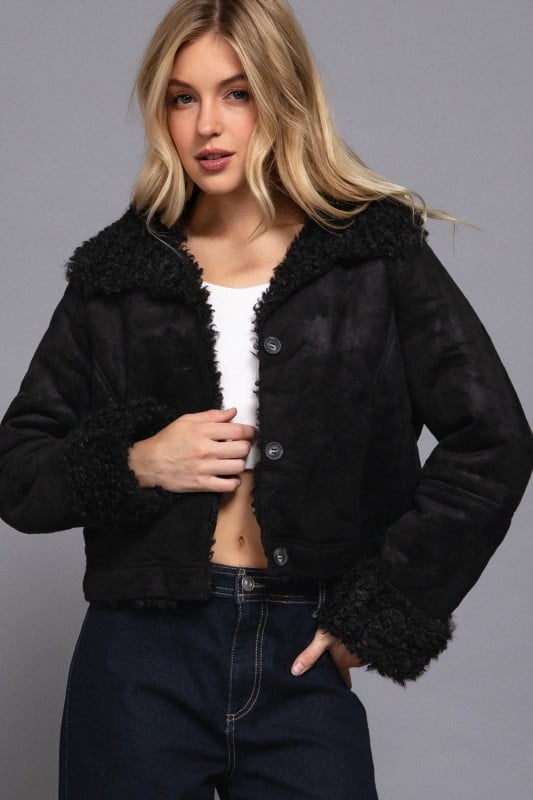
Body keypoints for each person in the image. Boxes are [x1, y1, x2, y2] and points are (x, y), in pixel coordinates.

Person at [0, 0, 531, 798]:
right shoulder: (118, 275)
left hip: (299, 645)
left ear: (282, 97)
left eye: (236, 93)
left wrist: (379, 611)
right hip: (140, 655)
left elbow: (492, 440)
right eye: (182, 98)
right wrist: (137, 462)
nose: (206, 125)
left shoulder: (371, 256)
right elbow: (17, 469)